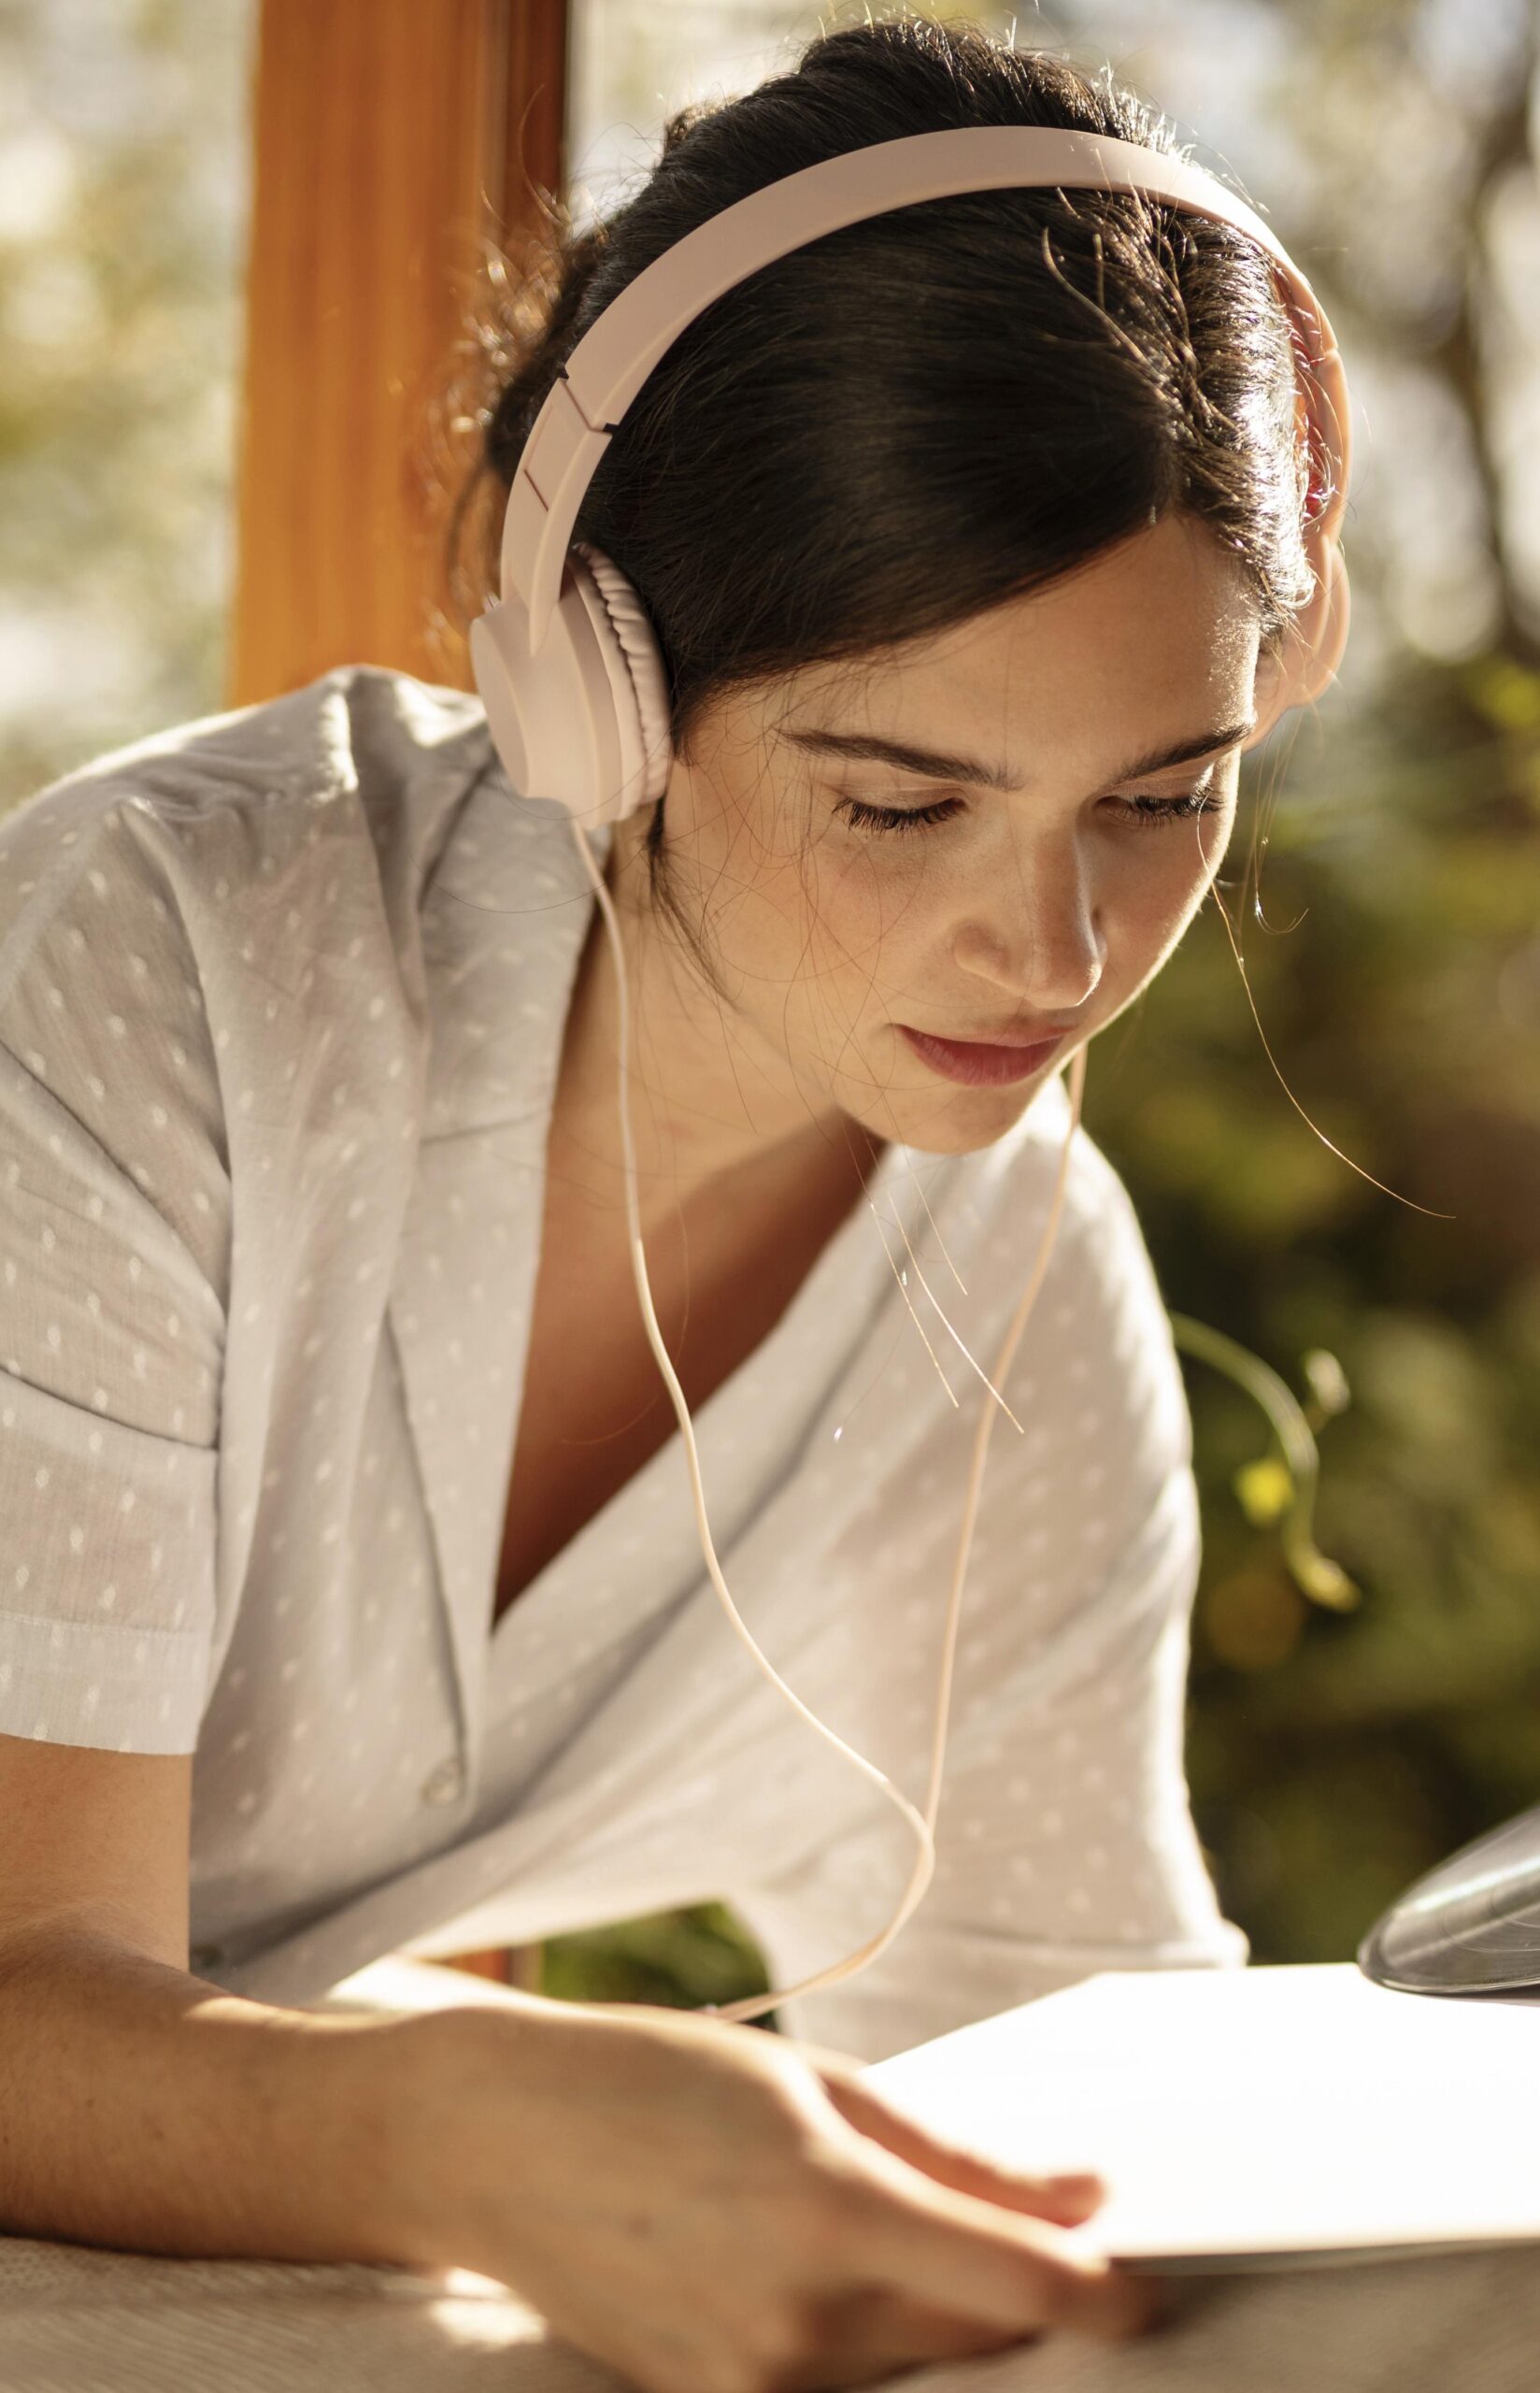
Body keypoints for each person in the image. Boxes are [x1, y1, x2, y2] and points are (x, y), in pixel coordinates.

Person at [0, 15, 1333, 2392]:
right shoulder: (155, 967)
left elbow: (1082, 2097)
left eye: (1163, 795)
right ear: (592, 688)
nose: (1056, 959)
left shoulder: (1020, 1299)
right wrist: (459, 2129)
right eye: (902, 804)